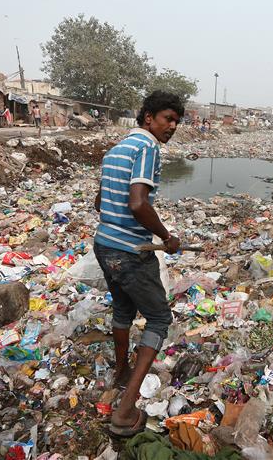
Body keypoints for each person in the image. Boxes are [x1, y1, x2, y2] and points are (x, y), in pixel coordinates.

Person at [93, 90, 184, 437]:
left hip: (104, 245)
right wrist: (166, 237)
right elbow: (137, 203)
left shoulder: (116, 150)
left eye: (176, 121)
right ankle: (125, 410)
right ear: (148, 118)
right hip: (130, 253)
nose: (172, 126)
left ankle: (120, 373)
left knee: (123, 309)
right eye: (167, 119)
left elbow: (101, 201)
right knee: (160, 318)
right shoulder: (147, 148)